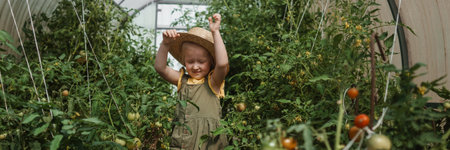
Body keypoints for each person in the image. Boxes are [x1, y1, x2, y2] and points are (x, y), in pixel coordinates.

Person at [154, 13, 229, 149]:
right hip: (183, 141)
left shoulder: (213, 82)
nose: (195, 66)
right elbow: (161, 68)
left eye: (201, 61)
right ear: (183, 61)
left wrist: (216, 32)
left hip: (209, 144)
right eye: (190, 61)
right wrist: (165, 44)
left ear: (211, 62)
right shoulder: (182, 80)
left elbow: (223, 64)